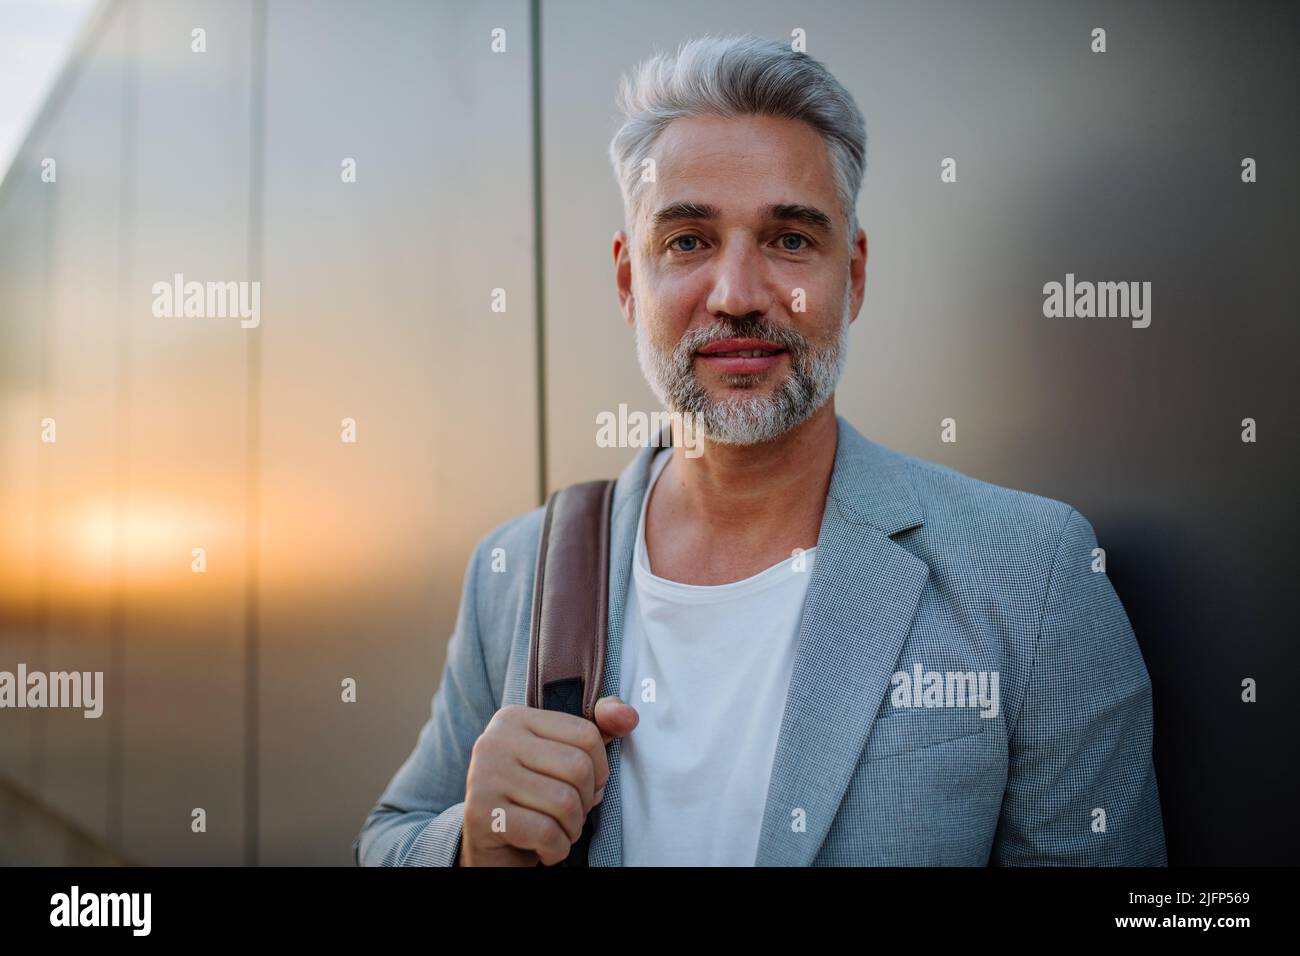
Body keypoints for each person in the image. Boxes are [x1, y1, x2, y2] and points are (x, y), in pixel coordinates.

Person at [355, 34, 1166, 867]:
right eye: (688, 241)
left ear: (852, 276)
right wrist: (465, 846)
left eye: (788, 239)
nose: (737, 296)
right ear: (630, 282)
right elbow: (388, 836)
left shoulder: (1031, 576)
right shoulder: (517, 571)